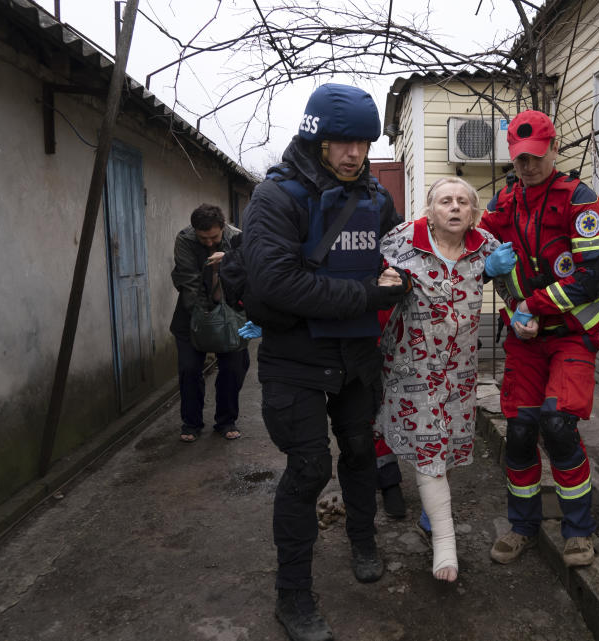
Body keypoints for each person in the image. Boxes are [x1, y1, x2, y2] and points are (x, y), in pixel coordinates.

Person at [240, 83, 411, 641]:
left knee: (361, 453)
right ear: (316, 140)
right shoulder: (277, 198)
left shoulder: (376, 198)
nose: (353, 154)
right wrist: (366, 296)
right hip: (296, 360)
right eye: (341, 142)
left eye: (362, 142)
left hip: (358, 357)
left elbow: (400, 259)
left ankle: (363, 540)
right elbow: (277, 283)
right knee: (310, 468)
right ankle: (292, 596)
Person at [480, 110, 599, 568]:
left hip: (571, 335)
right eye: (520, 160)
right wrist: (484, 267)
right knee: (518, 433)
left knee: (558, 427)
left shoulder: (579, 199)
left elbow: (592, 277)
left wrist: (531, 306)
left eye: (536, 157)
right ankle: (522, 526)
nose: (529, 167)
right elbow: (474, 247)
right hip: (524, 340)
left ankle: (578, 531)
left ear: (554, 149)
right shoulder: (504, 203)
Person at [375, 177, 516, 582]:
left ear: (472, 212)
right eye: (444, 201)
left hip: (460, 370)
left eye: (462, 202)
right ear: (430, 211)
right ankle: (445, 543)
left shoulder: (486, 246)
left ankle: (430, 512)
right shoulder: (402, 240)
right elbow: (371, 278)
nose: (454, 207)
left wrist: (521, 313)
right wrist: (386, 283)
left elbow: (511, 292)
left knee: (449, 447)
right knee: (431, 446)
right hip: (411, 369)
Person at [170, 203, 249, 443]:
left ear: (223, 228)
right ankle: (191, 423)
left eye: (214, 237)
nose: (209, 243)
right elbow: (189, 281)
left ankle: (226, 420)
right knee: (189, 369)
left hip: (231, 313)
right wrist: (205, 315)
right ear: (195, 231)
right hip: (192, 314)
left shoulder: (237, 239)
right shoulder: (185, 240)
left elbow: (252, 267)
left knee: (233, 369)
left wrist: (228, 257)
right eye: (203, 238)